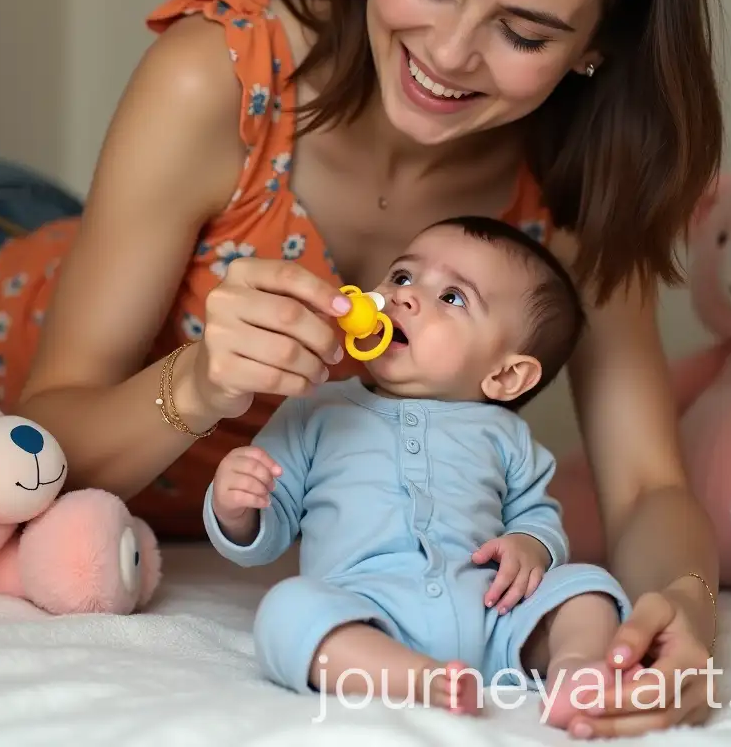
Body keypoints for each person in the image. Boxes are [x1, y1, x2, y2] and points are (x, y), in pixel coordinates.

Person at [0, 0, 722, 738]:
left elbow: (646, 487)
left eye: (523, 32)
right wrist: (199, 383)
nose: (448, 52)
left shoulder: (579, 195)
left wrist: (686, 610)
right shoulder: (219, 78)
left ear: (595, 47)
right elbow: (37, 438)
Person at [207, 216, 634, 728]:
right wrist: (237, 506)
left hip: (494, 616)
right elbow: (268, 529)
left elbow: (537, 516)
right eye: (402, 276)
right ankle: (419, 679)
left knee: (588, 587)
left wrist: (531, 545)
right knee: (286, 611)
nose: (404, 297)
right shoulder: (315, 410)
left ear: (505, 375)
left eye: (453, 297)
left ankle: (577, 671)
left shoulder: (506, 436)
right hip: (362, 612)